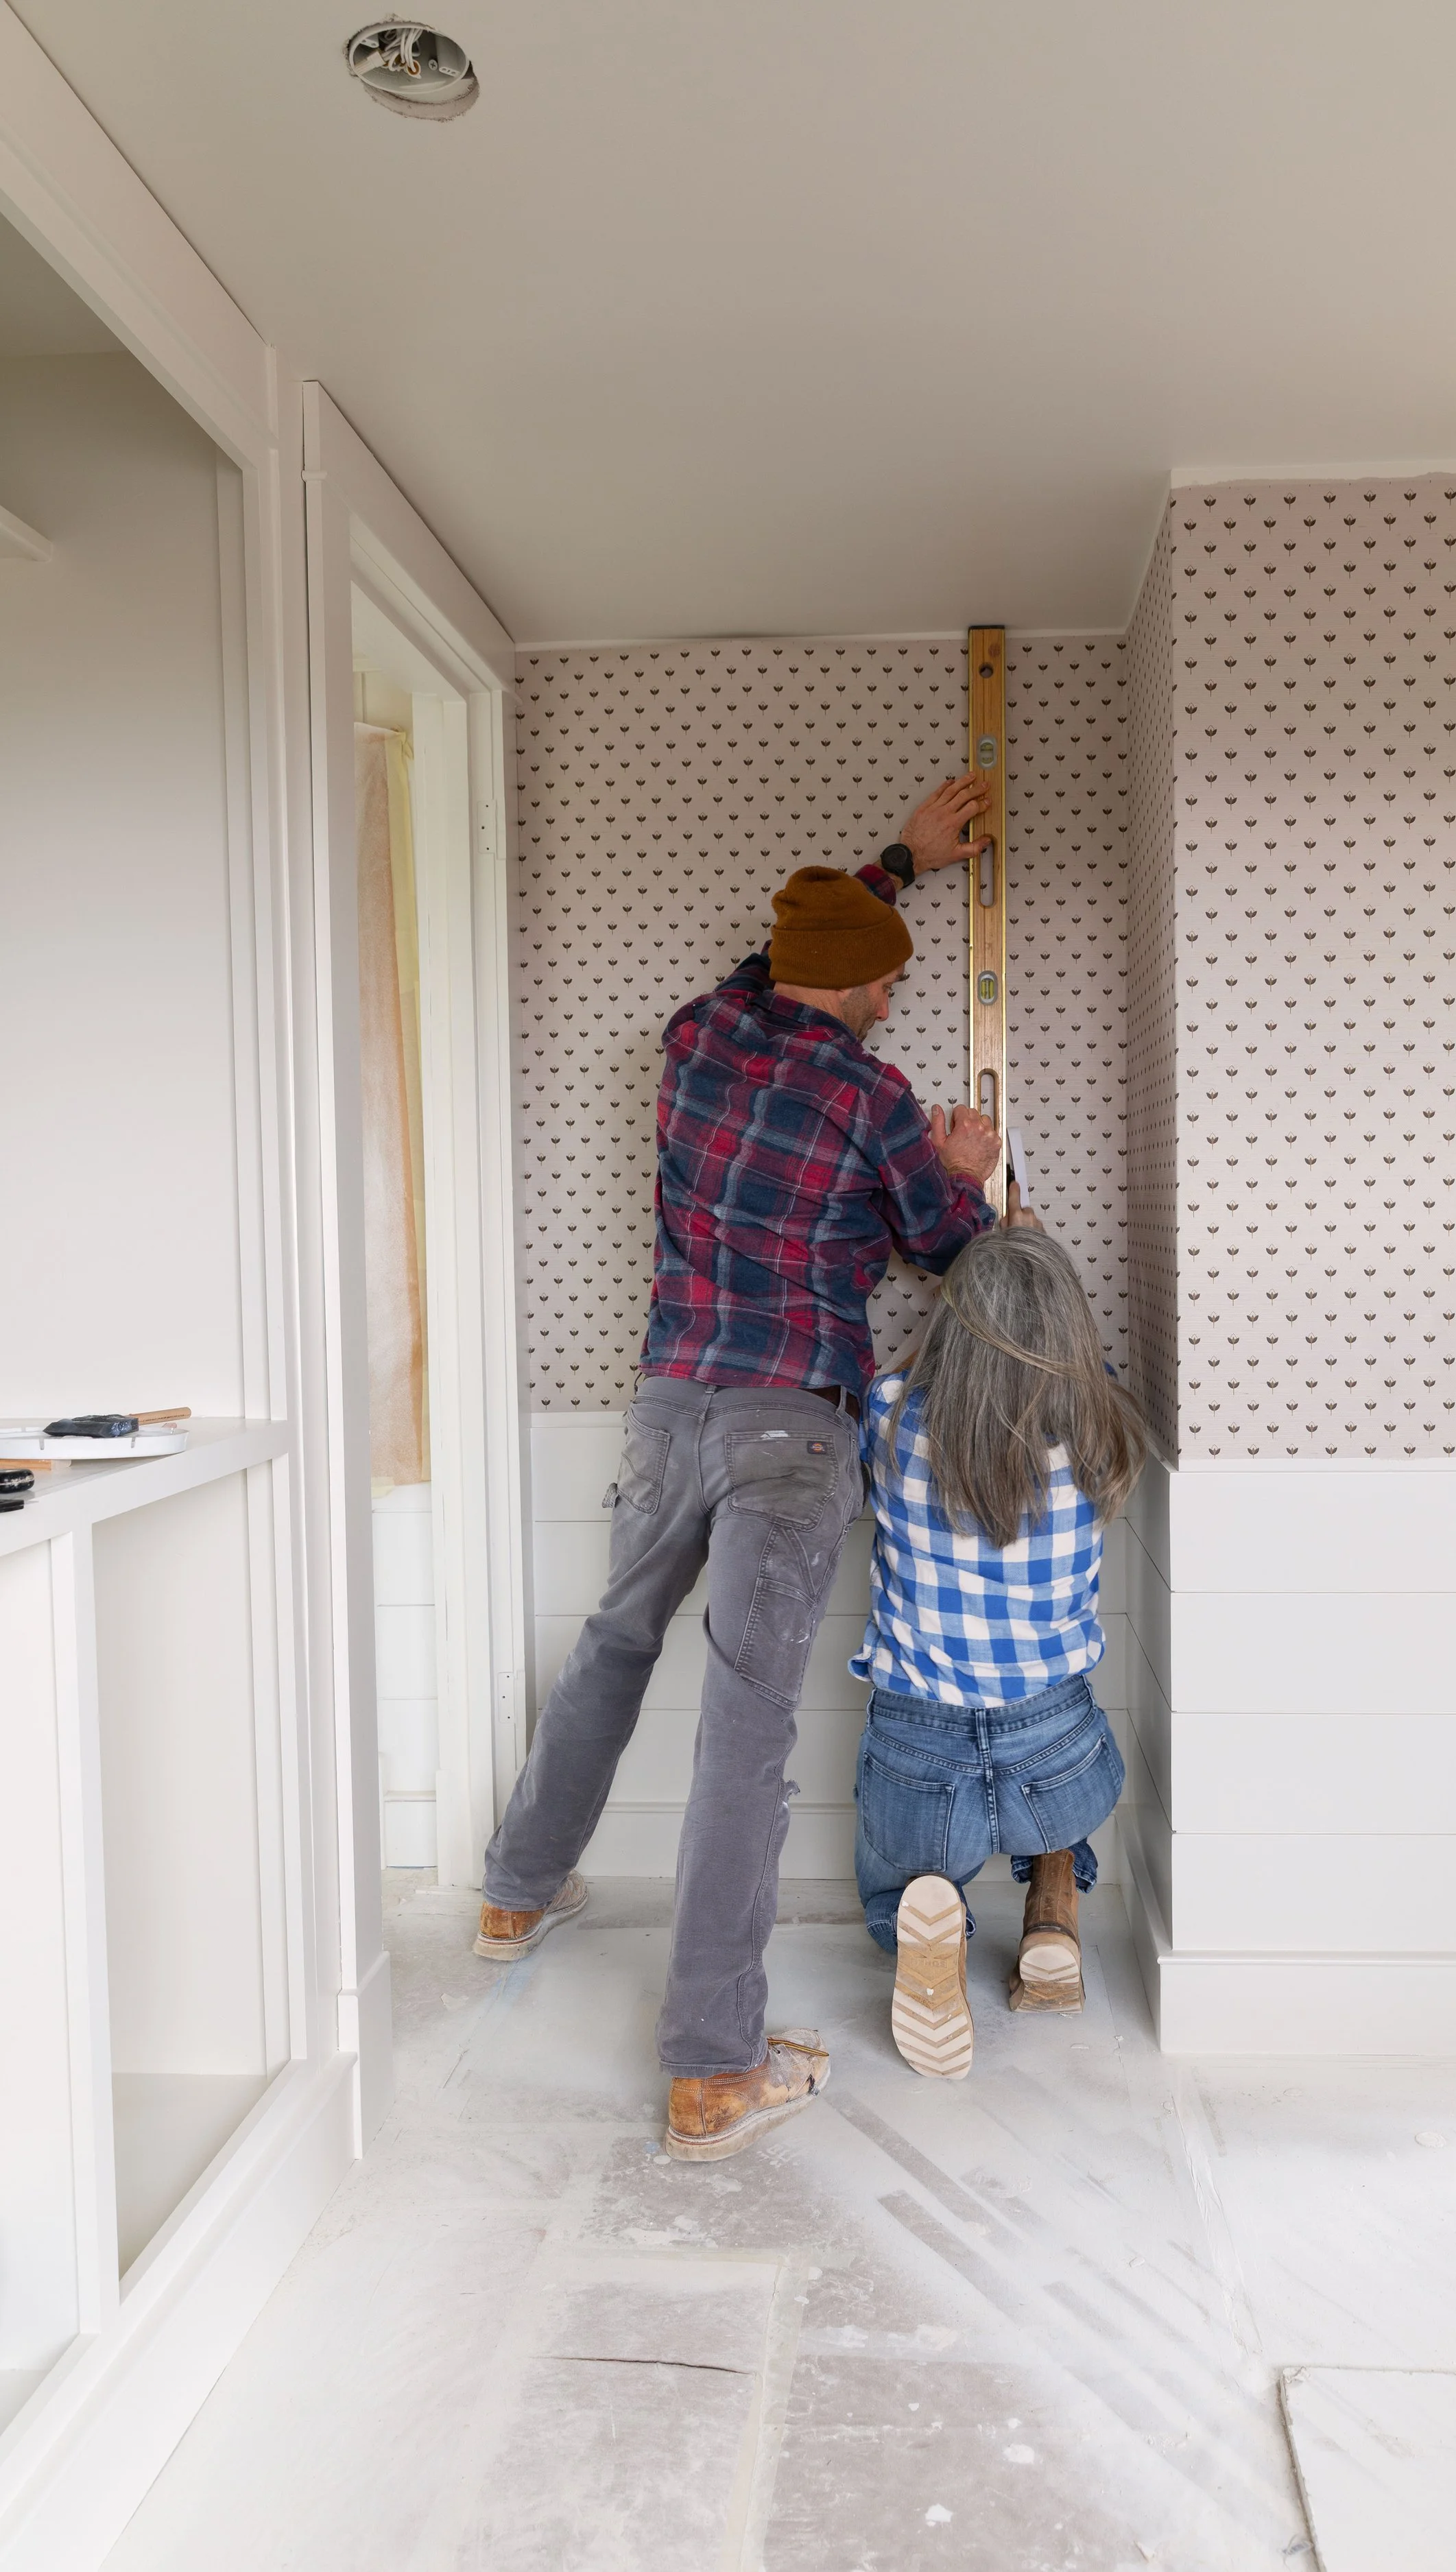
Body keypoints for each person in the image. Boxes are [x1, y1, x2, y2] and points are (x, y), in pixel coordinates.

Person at [475, 779, 1003, 2162]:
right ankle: (713, 2067)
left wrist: (894, 863)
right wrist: (964, 1169)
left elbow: (775, 967)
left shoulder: (699, 1035)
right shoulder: (875, 1097)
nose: (896, 990)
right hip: (789, 1423)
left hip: (666, 1400)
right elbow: (943, 1253)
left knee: (610, 1641)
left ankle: (514, 1892)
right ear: (872, 986)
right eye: (888, 974)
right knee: (746, 1727)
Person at [850, 1221, 1146, 2079]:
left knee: (893, 1853)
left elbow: (904, 1388)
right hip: (1056, 1765)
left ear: (953, 1321)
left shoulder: (890, 1414)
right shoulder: (1100, 1429)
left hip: (919, 1754)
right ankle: (1052, 1908)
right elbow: (1091, 1379)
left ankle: (919, 1916)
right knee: (1054, 1784)